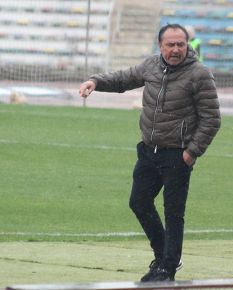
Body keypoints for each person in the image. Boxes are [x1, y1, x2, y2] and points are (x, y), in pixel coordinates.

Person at [78, 23, 221, 282]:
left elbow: (211, 119)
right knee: (139, 202)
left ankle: (167, 269)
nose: (176, 49)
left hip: (177, 155)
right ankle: (164, 256)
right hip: (148, 151)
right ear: (160, 46)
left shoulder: (199, 74)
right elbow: (122, 79)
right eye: (171, 44)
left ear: (187, 44)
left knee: (173, 213)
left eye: (181, 44)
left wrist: (191, 153)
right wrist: (94, 81)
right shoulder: (151, 65)